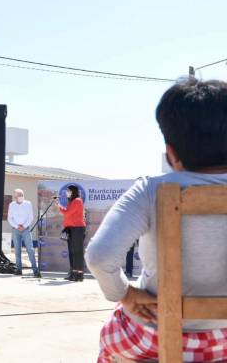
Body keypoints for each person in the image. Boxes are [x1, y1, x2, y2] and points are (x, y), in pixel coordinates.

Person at [85, 79, 227, 362]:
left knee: (109, 343)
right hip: (223, 341)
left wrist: (126, 295)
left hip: (154, 334)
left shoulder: (150, 190)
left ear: (171, 153)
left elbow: (100, 257)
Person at [7, 189, 41, 278]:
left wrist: (24, 226)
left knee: (30, 249)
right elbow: (10, 218)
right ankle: (19, 270)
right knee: (17, 250)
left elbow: (30, 217)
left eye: (22, 194)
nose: (21, 196)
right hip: (15, 229)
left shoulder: (28, 204)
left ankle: (35, 271)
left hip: (26, 229)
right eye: (19, 195)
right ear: (15, 197)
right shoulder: (12, 205)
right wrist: (17, 226)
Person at [56, 185, 86, 282]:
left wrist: (59, 206)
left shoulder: (77, 201)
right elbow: (67, 213)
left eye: (68, 191)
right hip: (70, 228)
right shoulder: (72, 201)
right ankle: (73, 273)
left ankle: (79, 274)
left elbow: (67, 212)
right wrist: (59, 205)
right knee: (72, 251)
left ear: (73, 191)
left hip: (77, 228)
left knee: (78, 251)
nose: (67, 192)